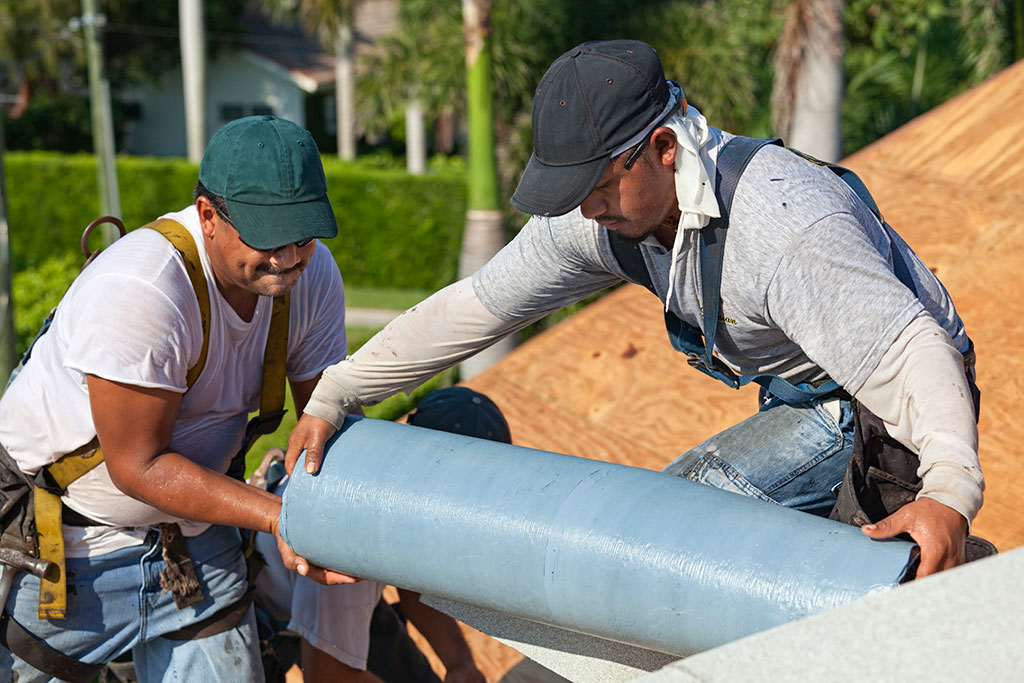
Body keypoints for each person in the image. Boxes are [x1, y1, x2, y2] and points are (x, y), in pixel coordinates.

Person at [288, 40, 984, 580]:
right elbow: (476, 307)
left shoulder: (779, 222)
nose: (586, 206)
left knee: (689, 525)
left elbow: (914, 352)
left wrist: (949, 491)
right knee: (717, 541)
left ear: (662, 148)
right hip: (799, 388)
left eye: (596, 185)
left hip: (890, 398)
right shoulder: (595, 216)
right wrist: (338, 392)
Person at [0, 115, 353, 683]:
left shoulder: (309, 277)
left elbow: (327, 417)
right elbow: (138, 466)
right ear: (208, 216)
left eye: (305, 235)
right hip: (62, 546)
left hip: (193, 543)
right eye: (268, 237)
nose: (289, 257)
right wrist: (281, 518)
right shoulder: (145, 288)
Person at [252, 386, 502, 683]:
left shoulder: (404, 491)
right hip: (255, 614)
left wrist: (460, 664)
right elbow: (328, 678)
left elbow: (415, 584)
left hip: (320, 594)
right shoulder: (355, 538)